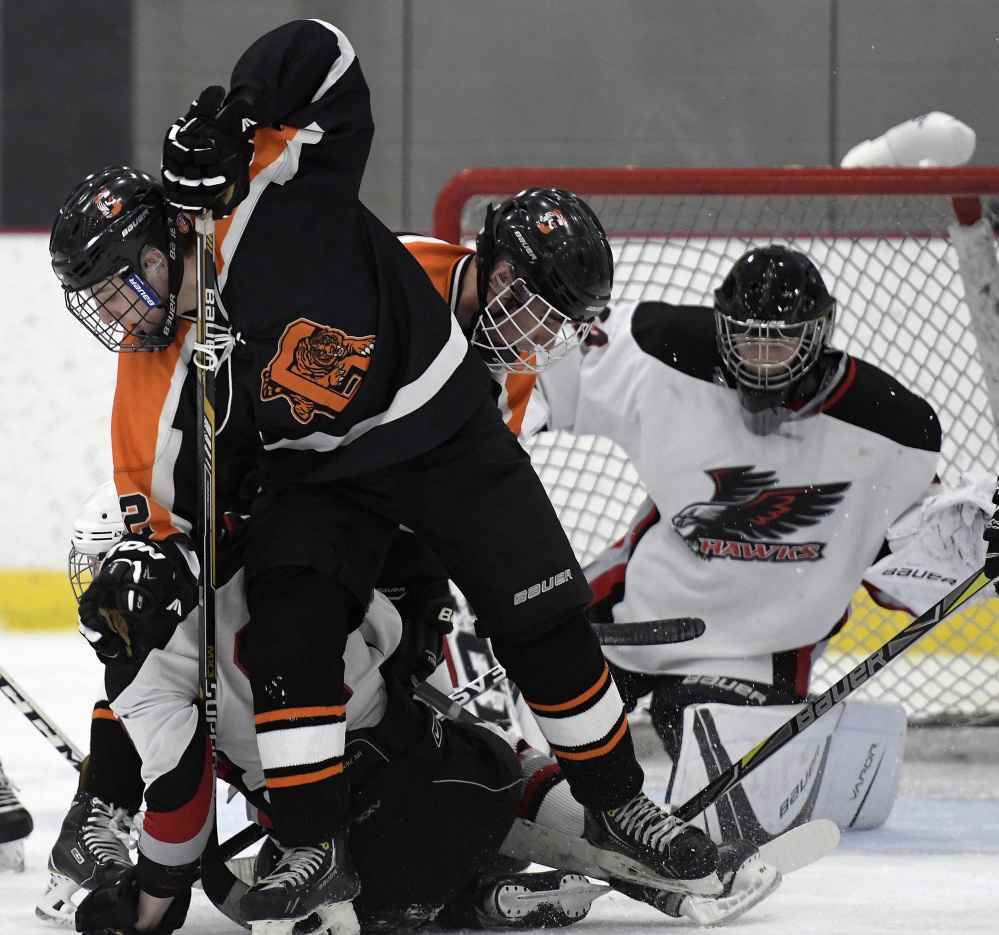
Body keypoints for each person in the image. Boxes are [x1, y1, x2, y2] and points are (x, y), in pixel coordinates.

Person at [50, 18, 720, 935]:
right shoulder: (155, 362)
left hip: (438, 425)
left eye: (131, 282)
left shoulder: (264, 196)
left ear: (165, 234)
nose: (127, 313)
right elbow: (154, 495)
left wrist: (240, 117)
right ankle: (313, 840)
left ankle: (614, 797)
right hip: (318, 478)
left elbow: (323, 51)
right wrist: (152, 558)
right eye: (107, 301)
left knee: (543, 612)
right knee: (284, 630)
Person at [50, 484, 779, 935]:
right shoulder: (284, 563)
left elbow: (171, 813)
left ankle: (479, 898)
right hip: (454, 767)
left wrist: (143, 899)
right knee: (498, 764)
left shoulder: (136, 683)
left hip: (343, 834)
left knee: (300, 888)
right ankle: (654, 848)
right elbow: (395, 614)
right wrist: (414, 640)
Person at [536, 244, 942, 842]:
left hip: (756, 653)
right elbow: (544, 376)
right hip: (632, 615)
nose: (762, 361)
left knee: (730, 817)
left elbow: (908, 571)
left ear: (818, 335)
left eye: (779, 343)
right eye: (748, 339)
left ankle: (817, 753)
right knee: (528, 730)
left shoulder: (892, 429)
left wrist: (962, 547)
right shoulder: (661, 351)